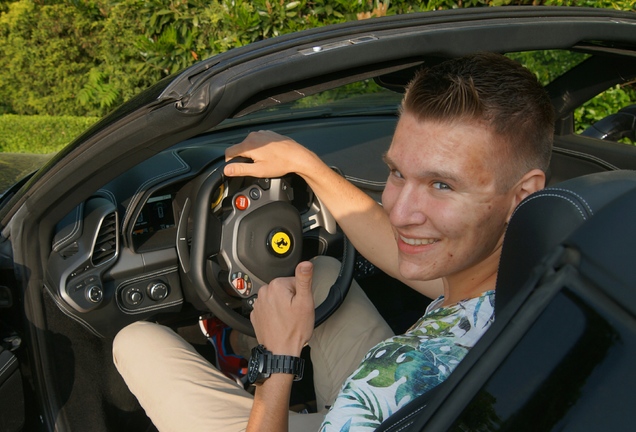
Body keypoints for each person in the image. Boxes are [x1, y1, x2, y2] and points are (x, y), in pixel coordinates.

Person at [112, 52, 554, 432]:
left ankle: (243, 361)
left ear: (523, 195)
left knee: (135, 342)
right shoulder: (544, 274)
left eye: (441, 185)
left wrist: (276, 358)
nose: (399, 213)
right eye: (398, 172)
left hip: (380, 405)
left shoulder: (397, 379)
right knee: (320, 274)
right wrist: (308, 168)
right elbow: (394, 245)